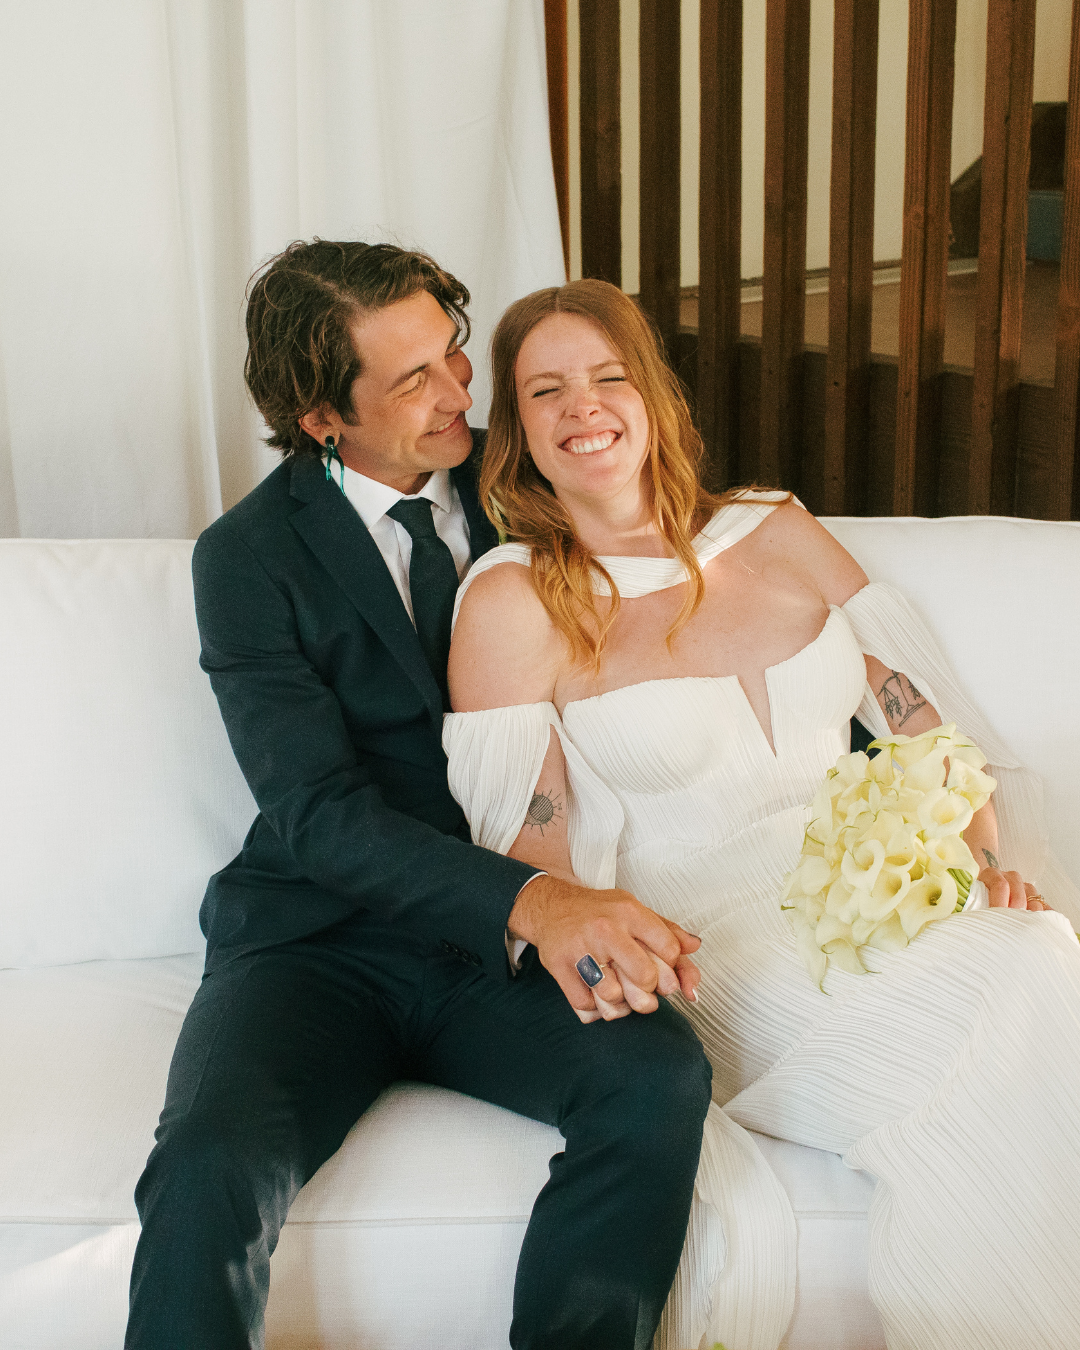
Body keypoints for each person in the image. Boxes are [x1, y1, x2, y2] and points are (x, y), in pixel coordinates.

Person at [444, 277, 1080, 1350]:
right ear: (516, 432)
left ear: (650, 396)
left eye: (606, 378)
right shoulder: (516, 601)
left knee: (1036, 947)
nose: (582, 408)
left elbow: (921, 725)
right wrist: (600, 962)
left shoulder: (775, 529)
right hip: (716, 944)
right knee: (1028, 980)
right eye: (544, 391)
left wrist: (975, 862)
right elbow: (532, 859)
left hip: (871, 896)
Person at [123, 242, 715, 1350]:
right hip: (316, 940)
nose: (460, 395)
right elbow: (320, 816)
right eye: (414, 383)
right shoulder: (246, 560)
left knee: (658, 1080)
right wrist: (541, 907)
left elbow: (700, 585)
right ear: (319, 418)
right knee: (207, 1166)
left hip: (502, 956)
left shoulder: (533, 477)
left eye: (453, 356)